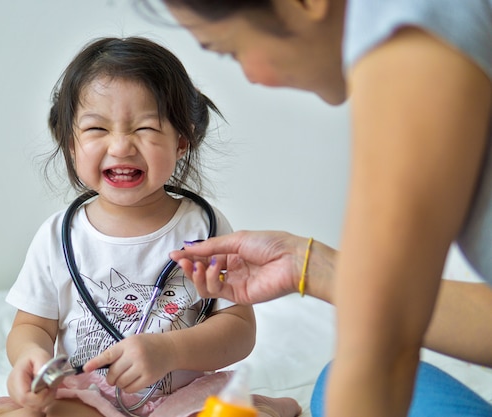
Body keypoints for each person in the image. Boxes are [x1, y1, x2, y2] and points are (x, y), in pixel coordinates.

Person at [141, 1, 492, 417]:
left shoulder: (406, 25)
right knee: (335, 379)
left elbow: (385, 347)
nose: (251, 78)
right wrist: (307, 265)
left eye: (229, 50)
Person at [0, 37, 301, 417]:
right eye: (96, 129)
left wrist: (170, 350)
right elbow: (32, 325)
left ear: (181, 141)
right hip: (89, 395)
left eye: (145, 127)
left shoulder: (205, 227)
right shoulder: (59, 237)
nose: (122, 146)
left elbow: (239, 328)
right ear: (70, 143)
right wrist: (30, 356)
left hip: (184, 400)